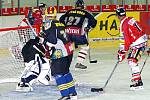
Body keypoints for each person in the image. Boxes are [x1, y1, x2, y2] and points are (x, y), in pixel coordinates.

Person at [36, 6, 77, 100]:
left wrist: (43, 40)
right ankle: (73, 94)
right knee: (65, 72)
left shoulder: (49, 24)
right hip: (69, 51)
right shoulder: (60, 23)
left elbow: (52, 42)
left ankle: (65, 95)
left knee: (57, 74)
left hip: (61, 52)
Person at [16, 3, 52, 92]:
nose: (44, 10)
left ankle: (27, 79)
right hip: (33, 48)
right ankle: (25, 81)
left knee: (35, 65)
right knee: (37, 66)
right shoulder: (29, 21)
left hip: (29, 47)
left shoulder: (30, 21)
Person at [116, 7, 148, 90]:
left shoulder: (123, 25)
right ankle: (137, 79)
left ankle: (138, 83)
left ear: (118, 16)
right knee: (131, 60)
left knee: (132, 61)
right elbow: (141, 28)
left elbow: (126, 41)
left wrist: (122, 52)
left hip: (138, 44)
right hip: (141, 41)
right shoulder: (131, 19)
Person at [59, 0, 97, 69]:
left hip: (67, 32)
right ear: (82, 5)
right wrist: (88, 27)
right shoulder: (85, 12)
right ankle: (79, 63)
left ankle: (63, 64)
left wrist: (64, 27)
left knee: (68, 47)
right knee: (86, 47)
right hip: (77, 32)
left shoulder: (69, 11)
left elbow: (61, 19)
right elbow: (94, 21)